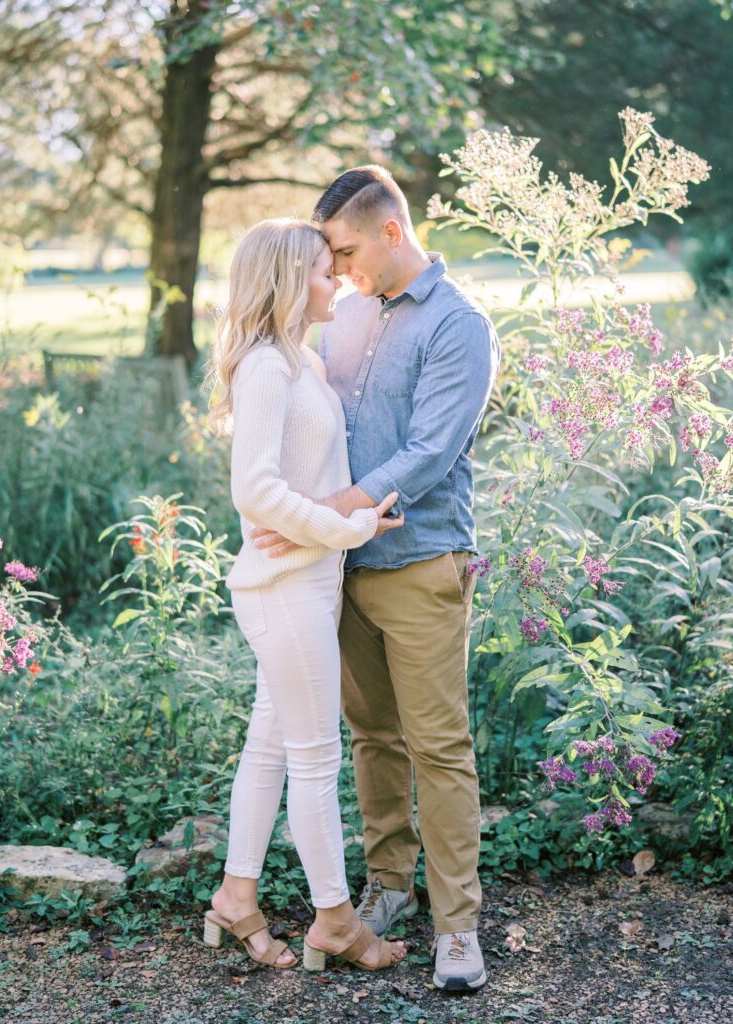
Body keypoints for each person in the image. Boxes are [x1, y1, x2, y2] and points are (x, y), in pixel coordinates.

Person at [251, 168, 500, 991]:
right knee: (371, 738)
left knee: (439, 747)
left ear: (392, 232)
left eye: (347, 250)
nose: (338, 266)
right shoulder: (344, 316)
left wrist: (318, 511)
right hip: (339, 568)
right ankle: (390, 887)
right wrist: (292, 513)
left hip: (421, 563)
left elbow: (428, 454)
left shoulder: (460, 327)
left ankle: (458, 927)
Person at [204, 217, 406, 973]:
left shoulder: (300, 363)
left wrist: (333, 525)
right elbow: (254, 487)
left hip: (305, 587)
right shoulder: (267, 368)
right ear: (291, 281)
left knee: (272, 748)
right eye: (325, 271)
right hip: (287, 592)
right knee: (318, 761)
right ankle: (336, 921)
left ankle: (236, 896)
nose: (337, 280)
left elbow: (297, 478)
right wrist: (345, 527)